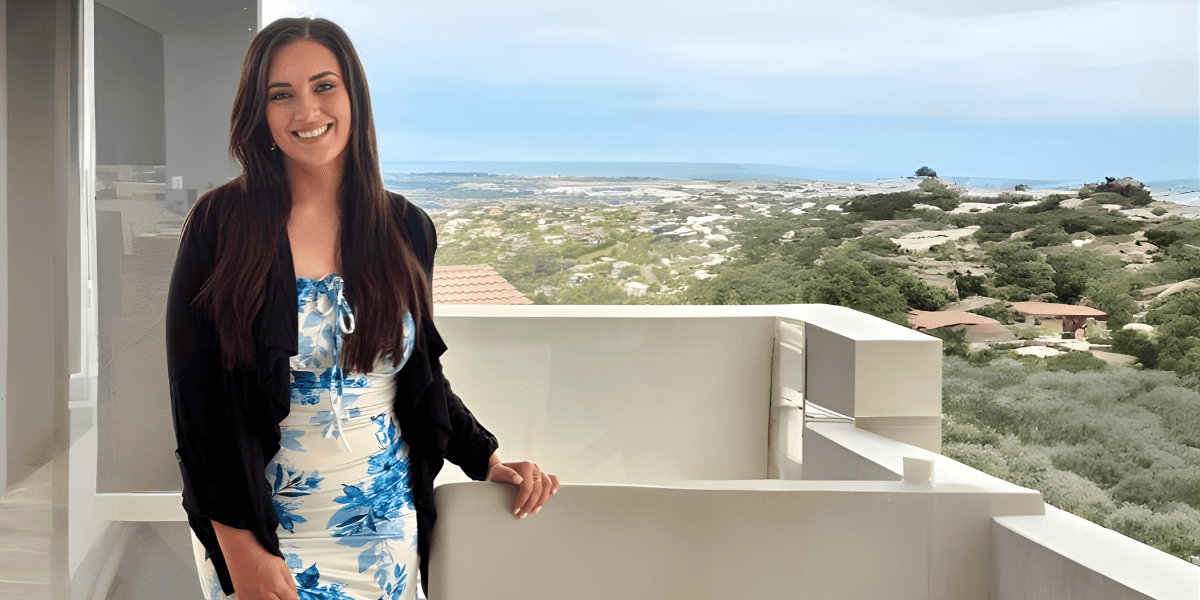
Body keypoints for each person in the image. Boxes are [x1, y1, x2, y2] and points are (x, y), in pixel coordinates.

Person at [166, 17, 559, 600]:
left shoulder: (405, 228)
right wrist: (242, 551)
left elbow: (419, 375)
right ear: (261, 113)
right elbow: (197, 408)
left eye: (324, 86)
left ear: (353, 97)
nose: (306, 112)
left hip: (385, 524)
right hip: (264, 529)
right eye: (282, 95)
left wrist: (488, 459)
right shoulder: (220, 225)